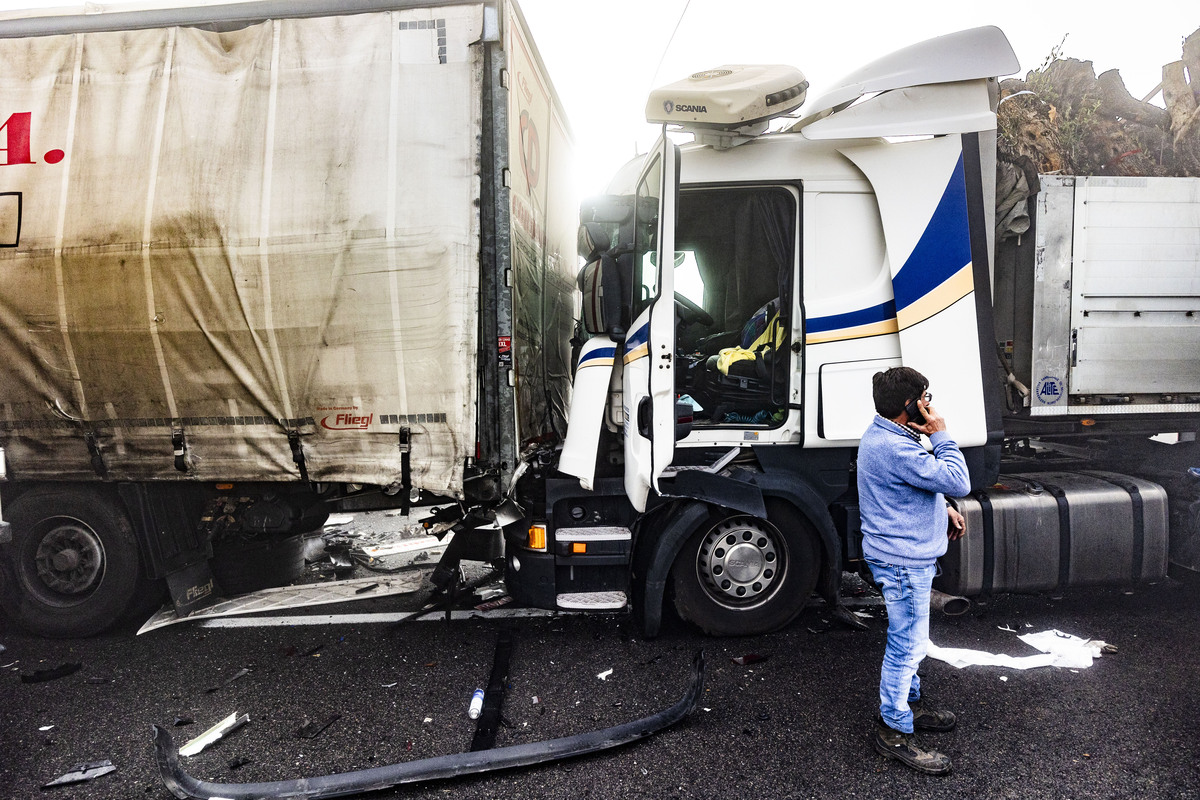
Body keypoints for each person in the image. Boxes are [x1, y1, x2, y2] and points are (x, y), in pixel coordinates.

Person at [857, 366, 970, 775]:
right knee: (907, 645)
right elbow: (958, 479)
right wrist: (941, 433)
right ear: (910, 407)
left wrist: (942, 510)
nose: (930, 407)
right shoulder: (898, 447)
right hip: (903, 562)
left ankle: (910, 704)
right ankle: (894, 731)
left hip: (901, 554)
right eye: (925, 399)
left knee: (912, 641)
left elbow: (902, 491)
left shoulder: (887, 436)